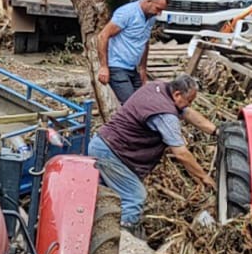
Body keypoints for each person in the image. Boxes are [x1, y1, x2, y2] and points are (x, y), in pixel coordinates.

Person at [88, 74, 217, 235]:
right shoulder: (165, 114)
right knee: (134, 197)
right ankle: (124, 244)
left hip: (105, 144)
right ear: (177, 94)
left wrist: (216, 131)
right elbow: (181, 153)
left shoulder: (158, 88)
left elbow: (187, 112)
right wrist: (204, 177)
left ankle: (97, 235)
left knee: (105, 198)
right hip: (112, 152)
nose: (189, 105)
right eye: (189, 100)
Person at [95, 0, 172, 103]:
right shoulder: (127, 13)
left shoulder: (151, 18)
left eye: (162, 10)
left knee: (143, 102)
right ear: (149, 1)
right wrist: (104, 67)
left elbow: (144, 43)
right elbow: (103, 36)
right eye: (158, 9)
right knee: (131, 104)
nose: (159, 13)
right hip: (117, 66)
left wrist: (142, 69)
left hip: (133, 68)